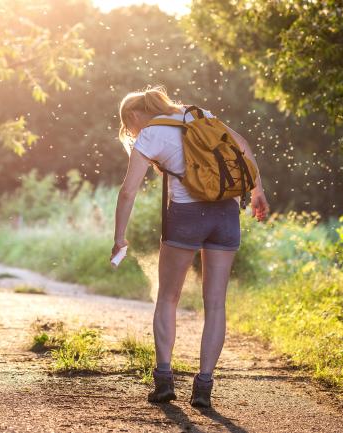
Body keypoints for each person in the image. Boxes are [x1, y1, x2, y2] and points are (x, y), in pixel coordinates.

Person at [111, 85, 269, 407]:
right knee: (215, 305)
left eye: (129, 126)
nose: (131, 132)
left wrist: (119, 237)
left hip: (186, 215)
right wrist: (257, 192)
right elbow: (242, 145)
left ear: (133, 116)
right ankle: (203, 388)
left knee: (168, 298)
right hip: (226, 213)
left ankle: (165, 382)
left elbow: (128, 192)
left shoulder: (151, 134)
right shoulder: (199, 116)